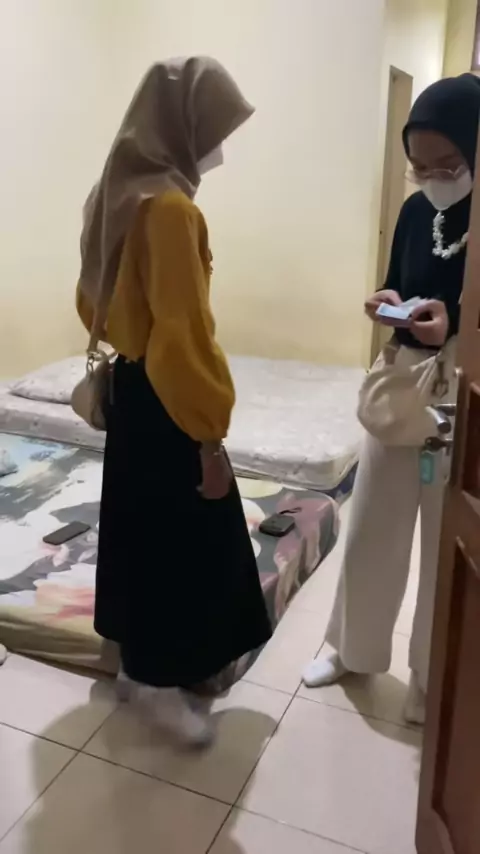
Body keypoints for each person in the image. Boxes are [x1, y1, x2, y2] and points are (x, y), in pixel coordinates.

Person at [76, 57, 272, 746]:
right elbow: (183, 338)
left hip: (133, 393)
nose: (217, 148)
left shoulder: (111, 194)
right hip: (168, 402)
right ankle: (160, 682)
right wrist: (210, 436)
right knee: (187, 539)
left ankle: (137, 664)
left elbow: (92, 304)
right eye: (214, 131)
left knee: (141, 529)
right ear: (184, 128)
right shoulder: (171, 210)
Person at [302, 73, 480, 723]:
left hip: (458, 391)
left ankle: (432, 678)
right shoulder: (413, 211)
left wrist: (453, 327)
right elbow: (398, 281)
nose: (432, 178)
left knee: (443, 542)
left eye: (448, 164)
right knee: (373, 523)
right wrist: (388, 304)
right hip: (401, 383)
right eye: (419, 167)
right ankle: (352, 648)